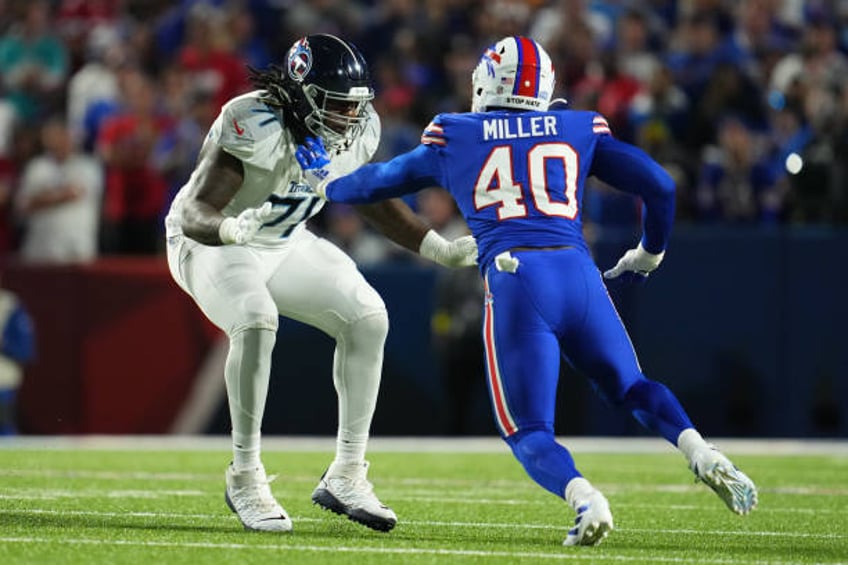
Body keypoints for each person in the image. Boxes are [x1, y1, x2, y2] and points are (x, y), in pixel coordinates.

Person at [295, 35, 758, 546]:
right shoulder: (577, 126)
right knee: (632, 386)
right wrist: (651, 251)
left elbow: (374, 183)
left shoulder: (457, 133)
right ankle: (700, 450)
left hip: (518, 279)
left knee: (529, 430)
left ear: (485, 81)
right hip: (577, 274)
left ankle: (586, 498)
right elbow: (661, 186)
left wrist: (325, 178)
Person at [164, 33, 476, 534]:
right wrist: (229, 228)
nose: (349, 119)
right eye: (335, 105)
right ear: (301, 93)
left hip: (283, 240)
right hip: (211, 242)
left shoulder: (357, 129)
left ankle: (347, 473)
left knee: (368, 318)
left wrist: (436, 246)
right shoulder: (253, 120)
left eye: (355, 107)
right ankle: (244, 475)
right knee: (255, 319)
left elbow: (370, 197)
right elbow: (198, 208)